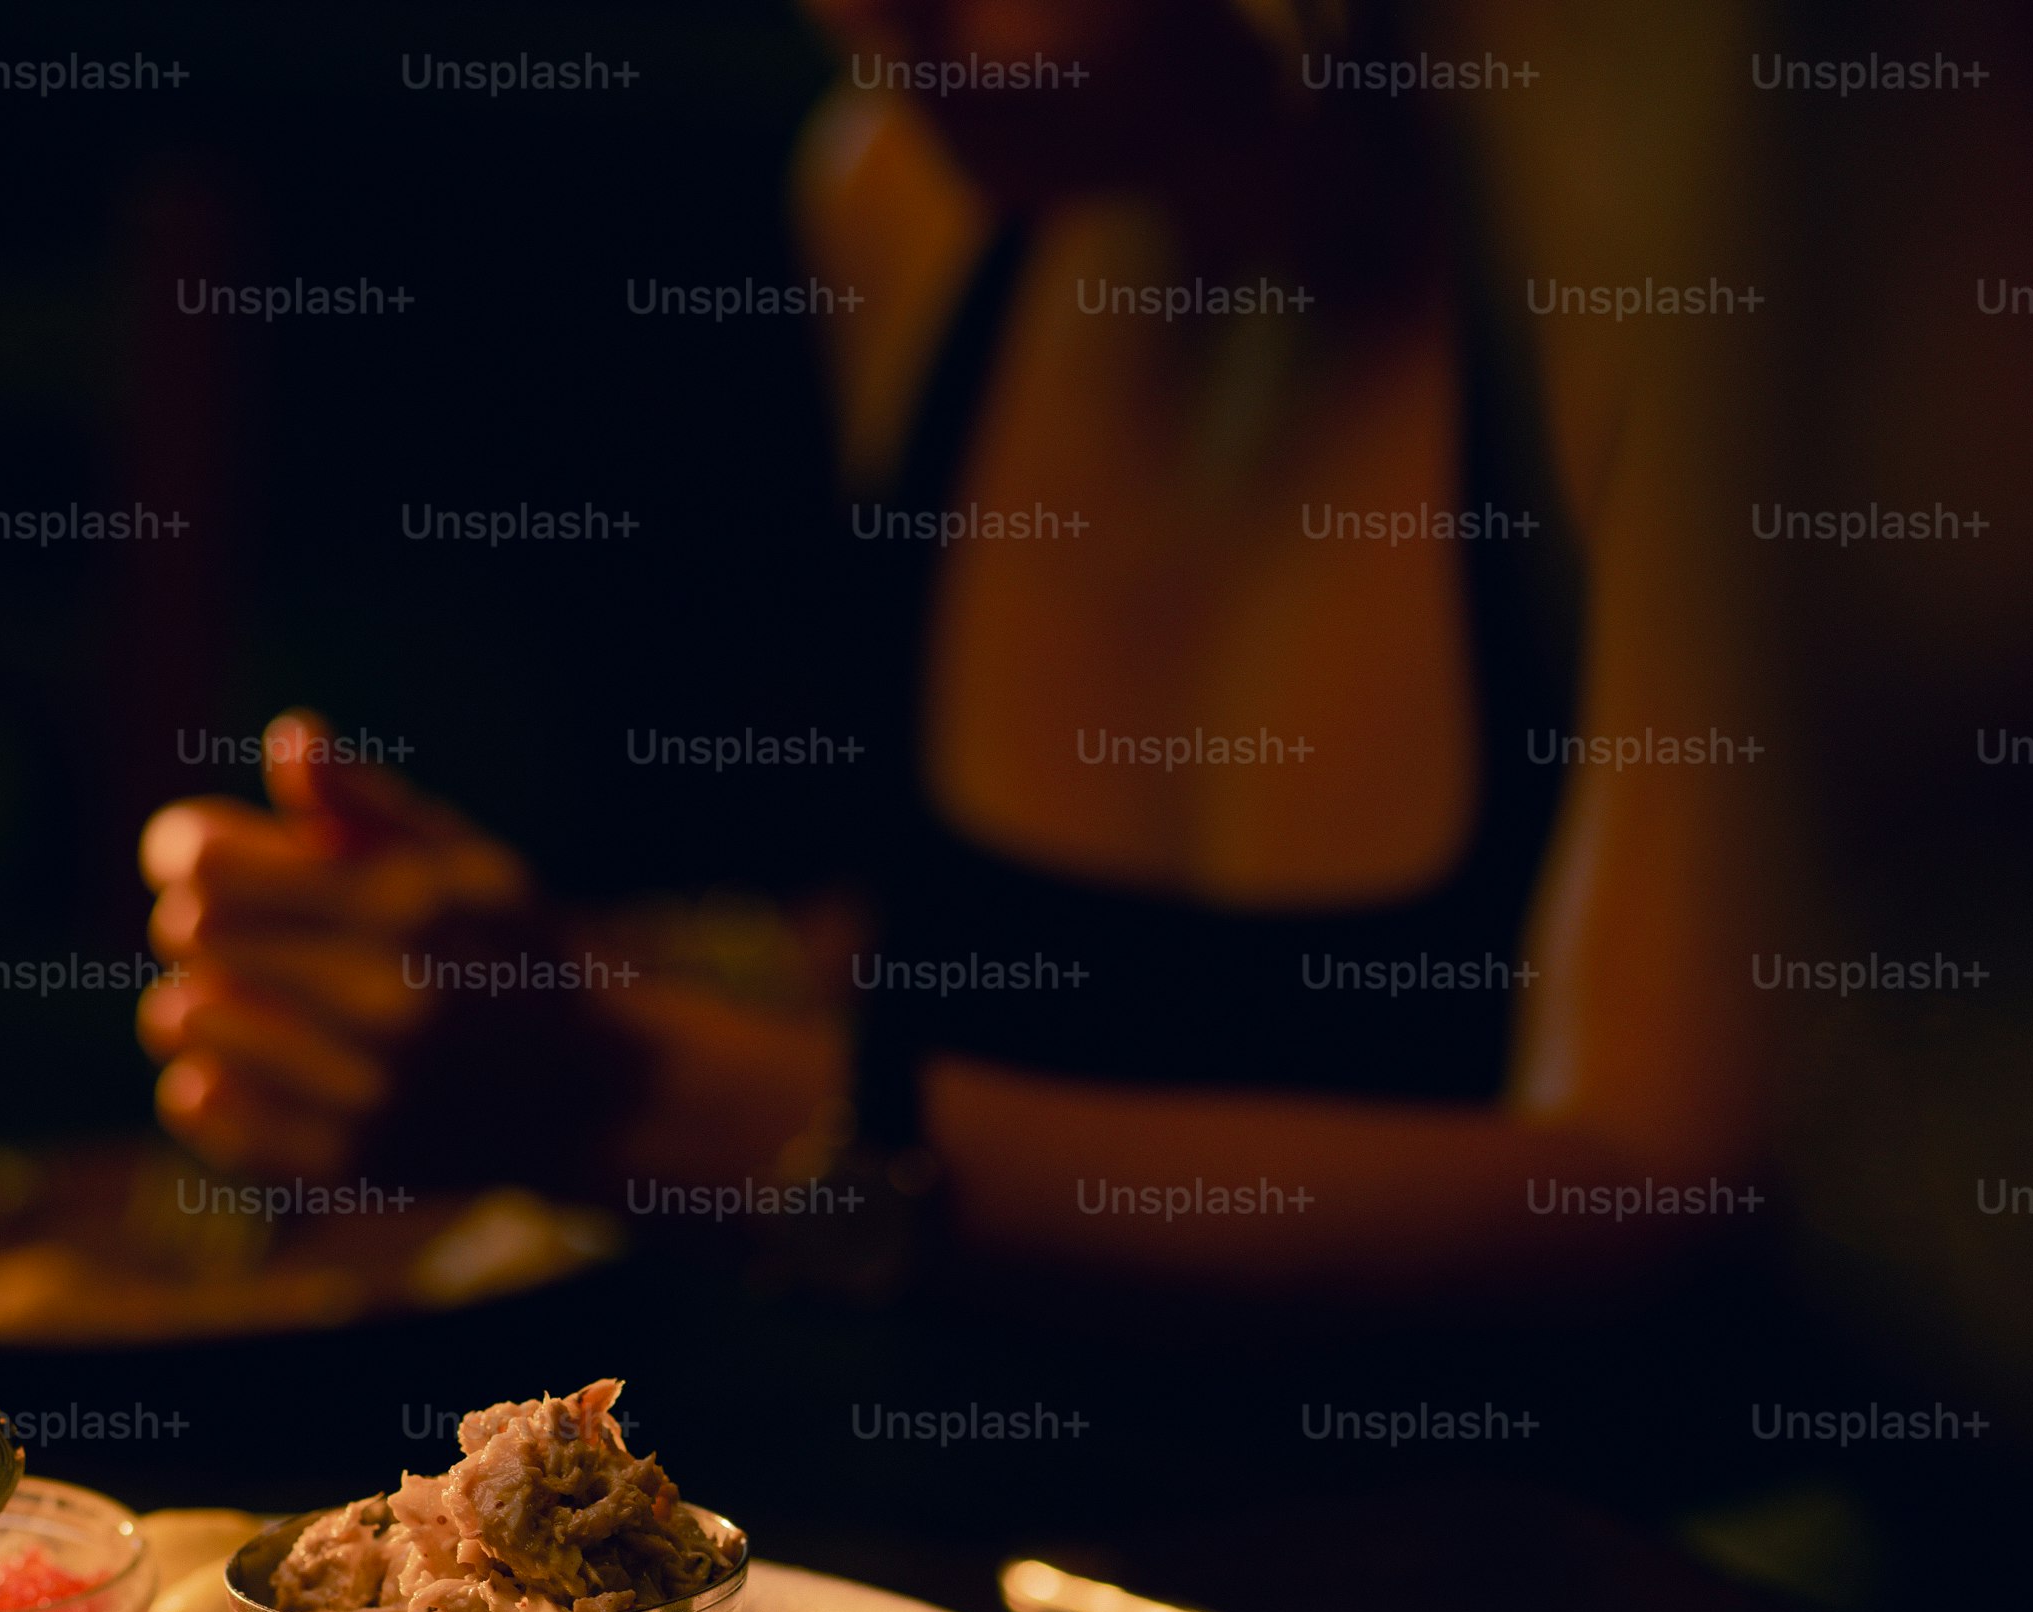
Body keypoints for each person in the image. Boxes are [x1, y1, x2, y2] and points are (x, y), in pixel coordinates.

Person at [137, 0, 1767, 1301]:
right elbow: (1001, 974)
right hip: (997, 1584)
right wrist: (501, 985)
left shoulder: (1689, 286)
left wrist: (666, 1105)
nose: (872, 14)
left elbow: (1659, 1200)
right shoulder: (907, 198)